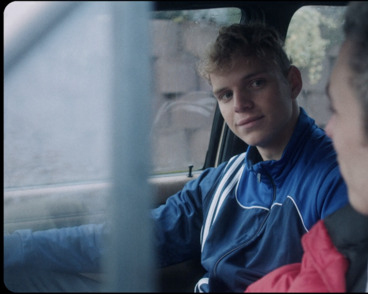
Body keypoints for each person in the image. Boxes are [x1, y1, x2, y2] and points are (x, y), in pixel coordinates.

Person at [4, 23, 349, 292]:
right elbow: (135, 239)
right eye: (225, 94)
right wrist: (17, 246)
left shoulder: (335, 178)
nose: (239, 104)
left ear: (291, 82)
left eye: (256, 83)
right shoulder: (223, 181)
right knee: (21, 275)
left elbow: (335, 280)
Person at [245, 1, 368, 292]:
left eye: (337, 110)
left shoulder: (337, 211)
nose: (330, 129)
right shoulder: (345, 241)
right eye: (225, 94)